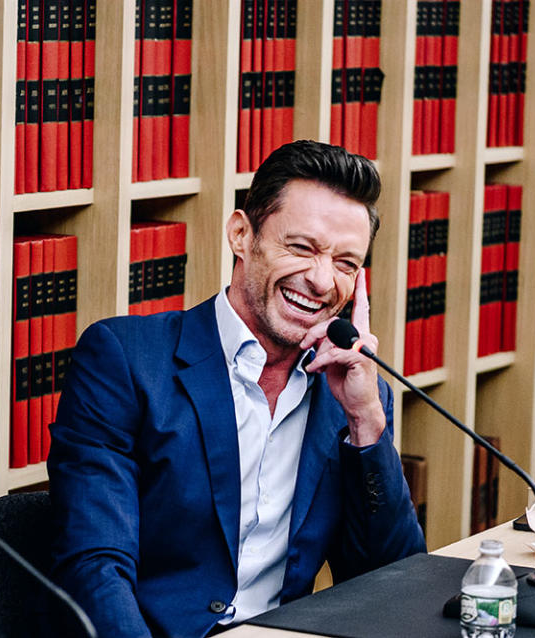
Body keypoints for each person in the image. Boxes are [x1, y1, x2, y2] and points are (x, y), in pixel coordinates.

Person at [46, 140, 426, 638]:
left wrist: (367, 424)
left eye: (346, 264)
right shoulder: (125, 359)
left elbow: (393, 586)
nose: (320, 280)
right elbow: (93, 566)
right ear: (241, 235)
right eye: (301, 248)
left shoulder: (353, 399)